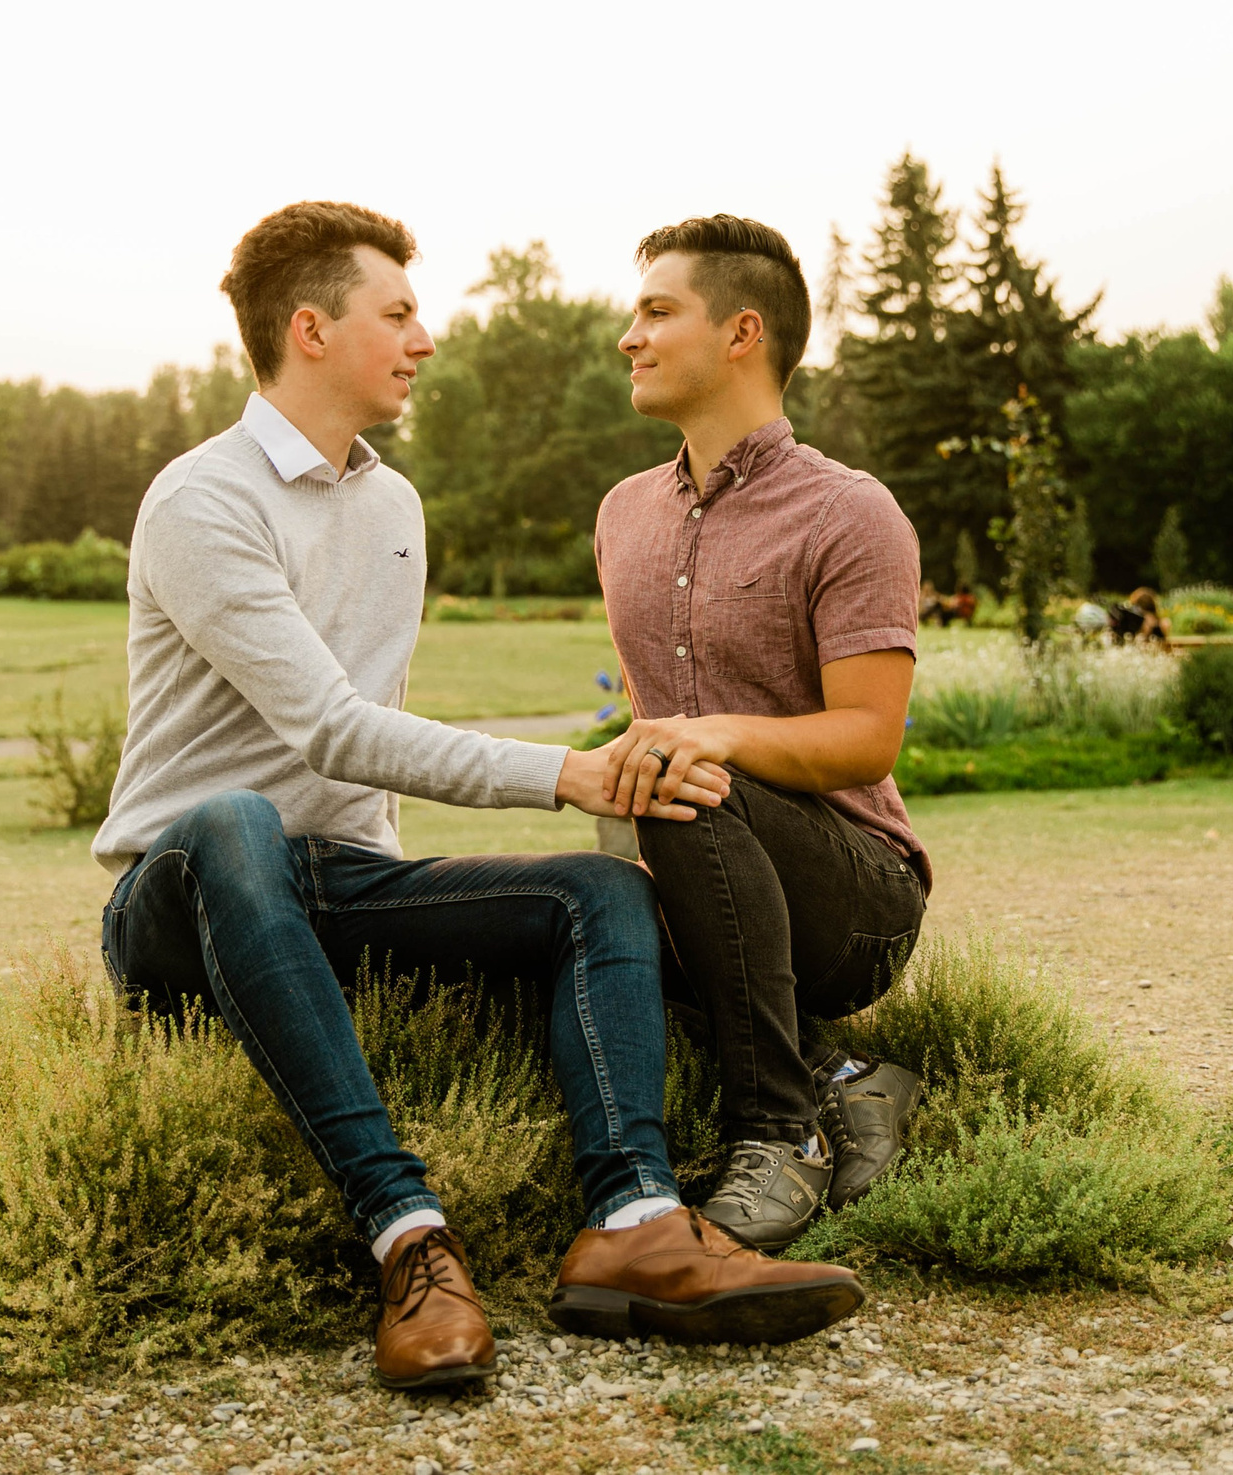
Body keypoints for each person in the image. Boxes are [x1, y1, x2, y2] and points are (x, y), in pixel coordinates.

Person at [95, 201, 863, 1390]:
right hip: (186, 895)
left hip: (341, 886)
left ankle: (635, 1223)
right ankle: (411, 1236)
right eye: (397, 313)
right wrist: (569, 771)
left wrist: (588, 802)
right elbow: (333, 729)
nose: (425, 336)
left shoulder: (392, 506)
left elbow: (364, 750)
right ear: (310, 329)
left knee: (597, 891)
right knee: (239, 820)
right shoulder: (205, 500)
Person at [592, 215, 930, 1253]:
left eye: (657, 312)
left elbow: (867, 743)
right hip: (699, 868)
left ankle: (780, 1135)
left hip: (856, 898)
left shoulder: (849, 513)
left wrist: (714, 739)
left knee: (688, 767)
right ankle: (843, 1078)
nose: (628, 336)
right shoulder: (621, 514)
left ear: (742, 333)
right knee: (565, 896)